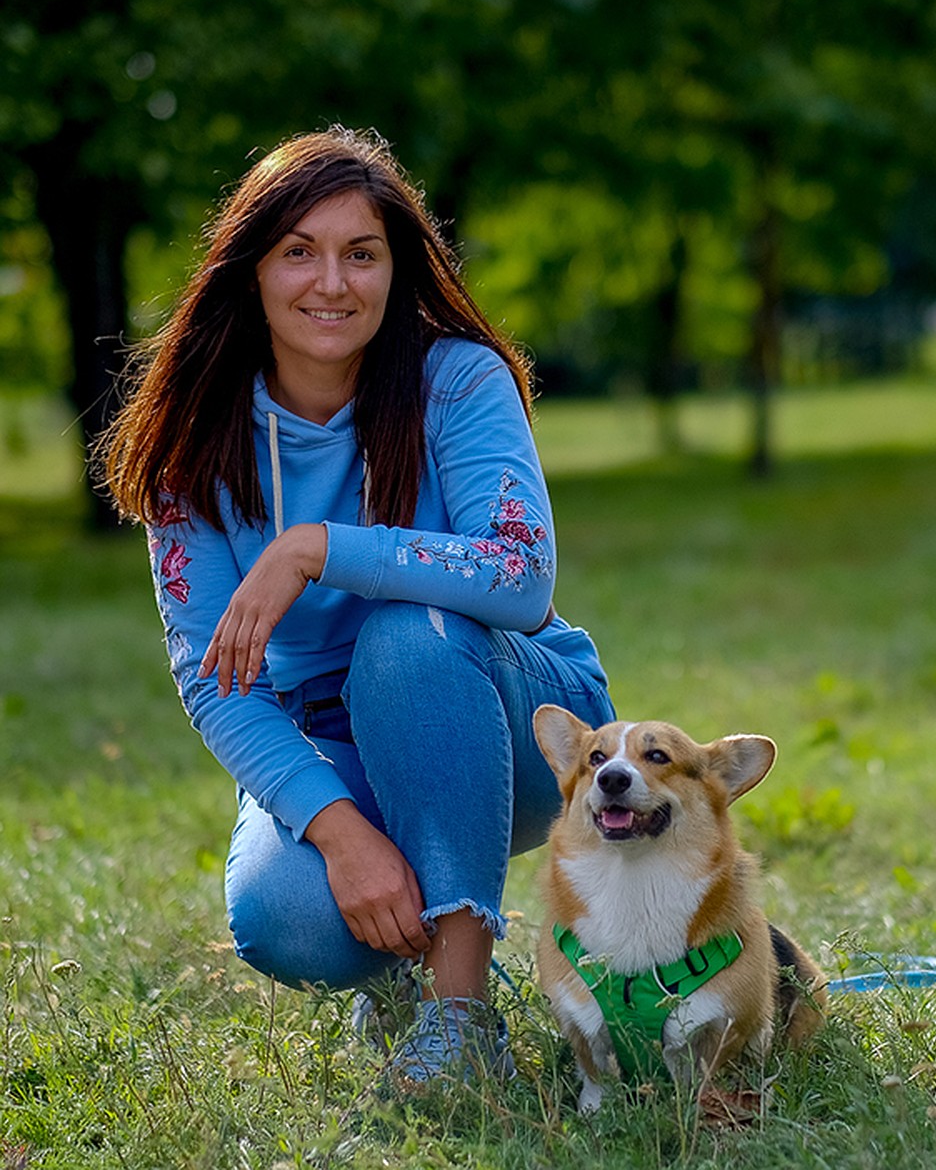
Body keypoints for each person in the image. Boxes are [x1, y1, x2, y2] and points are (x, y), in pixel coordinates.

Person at [100, 126, 615, 1082]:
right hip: (329, 732)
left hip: (523, 718)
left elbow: (522, 575)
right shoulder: (193, 442)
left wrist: (317, 549)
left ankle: (462, 1021)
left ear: (395, 269)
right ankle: (401, 983)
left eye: (361, 254)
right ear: (250, 269)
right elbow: (219, 687)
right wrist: (341, 835)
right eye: (299, 250)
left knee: (403, 640)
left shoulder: (457, 378)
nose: (331, 282)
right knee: (283, 914)